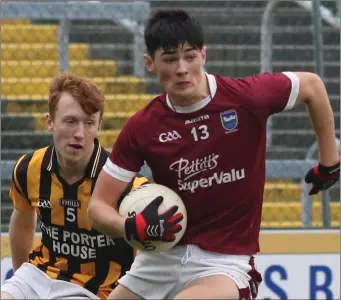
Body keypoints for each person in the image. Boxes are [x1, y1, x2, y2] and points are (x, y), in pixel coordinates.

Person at [87, 9, 340, 300]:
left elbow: (312, 86)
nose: (182, 68)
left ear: (204, 55)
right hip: (160, 259)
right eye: (170, 59)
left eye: (190, 56)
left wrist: (330, 163)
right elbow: (98, 208)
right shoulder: (142, 127)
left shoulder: (246, 98)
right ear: (150, 63)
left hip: (224, 263)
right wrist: (132, 226)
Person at [1, 72, 148, 300]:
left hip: (96, 290)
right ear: (49, 122)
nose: (79, 134)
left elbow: (148, 257)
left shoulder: (128, 184)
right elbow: (22, 223)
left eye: (89, 123)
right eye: (70, 121)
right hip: (38, 275)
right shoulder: (29, 168)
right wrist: (20, 277)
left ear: (99, 125)